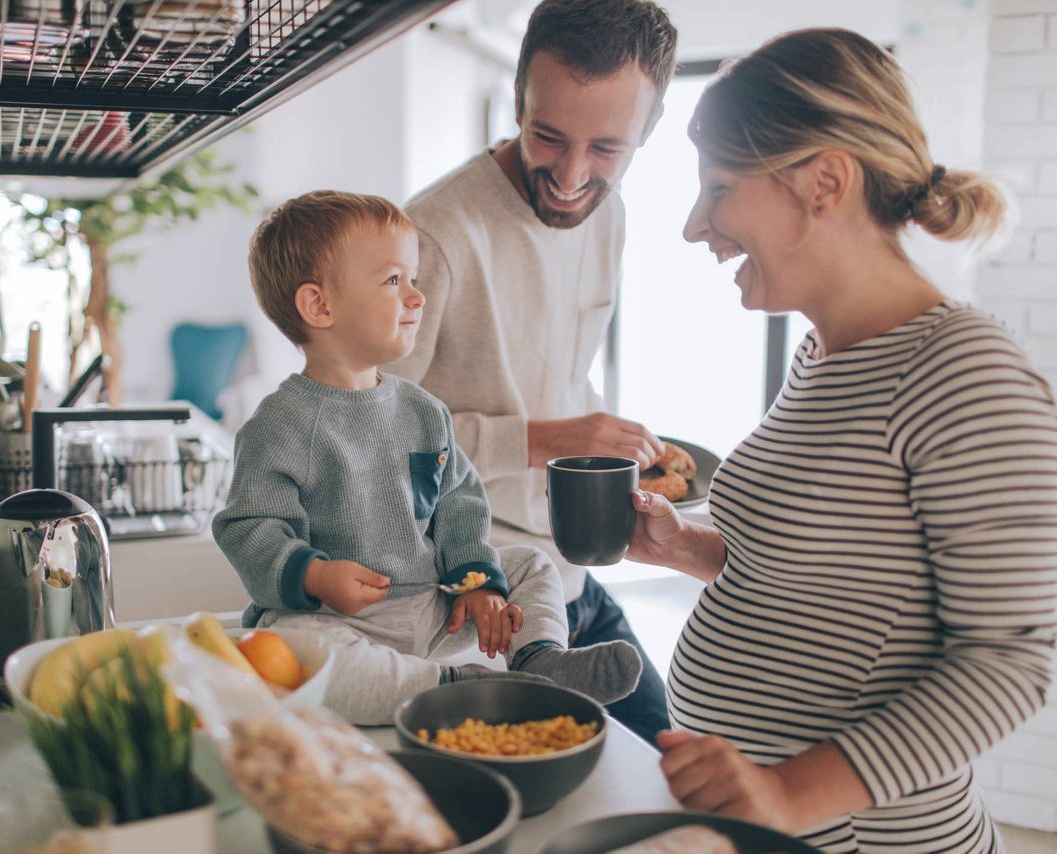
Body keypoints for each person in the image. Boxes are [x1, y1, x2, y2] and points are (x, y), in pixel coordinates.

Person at [624, 28, 1057, 852]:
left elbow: (1010, 662)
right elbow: (835, 586)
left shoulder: (963, 372)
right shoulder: (825, 356)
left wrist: (789, 793)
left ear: (825, 181)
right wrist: (687, 548)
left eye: (718, 188)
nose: (693, 227)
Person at [213, 190, 641, 725]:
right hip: (339, 620)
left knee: (532, 563)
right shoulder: (280, 425)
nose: (417, 297)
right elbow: (249, 526)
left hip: (431, 605)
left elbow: (460, 503)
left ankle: (540, 659)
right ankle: (461, 688)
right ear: (319, 306)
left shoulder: (422, 410)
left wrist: (477, 580)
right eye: (394, 281)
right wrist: (316, 576)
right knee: (295, 651)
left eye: (413, 279)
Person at [386, 0, 678, 743]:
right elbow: (376, 440)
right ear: (518, 96)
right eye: (548, 136)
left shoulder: (607, 217)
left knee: (676, 756)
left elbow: (557, 371)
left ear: (649, 129)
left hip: (571, 574)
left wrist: (611, 455)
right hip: (478, 594)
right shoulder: (435, 233)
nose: (573, 176)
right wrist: (545, 438)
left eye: (607, 148)